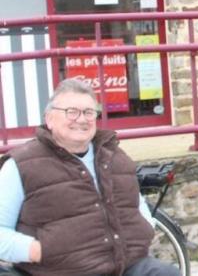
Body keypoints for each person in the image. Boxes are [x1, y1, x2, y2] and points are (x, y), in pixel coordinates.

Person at [0, 78, 179, 276]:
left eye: (88, 112)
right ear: (49, 118)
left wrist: (146, 228)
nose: (82, 119)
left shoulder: (116, 157)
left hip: (125, 265)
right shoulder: (21, 164)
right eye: (71, 112)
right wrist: (38, 251)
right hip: (62, 270)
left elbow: (136, 204)